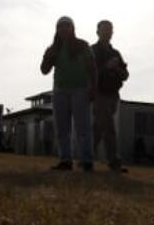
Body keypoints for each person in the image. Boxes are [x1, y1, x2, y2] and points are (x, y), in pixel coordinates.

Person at [41, 16, 97, 171]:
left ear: (73, 28)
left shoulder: (83, 45)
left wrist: (93, 88)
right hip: (60, 91)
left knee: (82, 128)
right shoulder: (53, 48)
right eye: (60, 27)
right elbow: (44, 70)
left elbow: (92, 68)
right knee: (62, 128)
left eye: (67, 26)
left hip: (80, 89)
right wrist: (49, 57)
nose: (63, 29)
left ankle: (86, 161)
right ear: (56, 30)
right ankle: (65, 161)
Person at [91, 20, 129, 172]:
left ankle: (84, 157)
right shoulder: (92, 50)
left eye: (110, 30)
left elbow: (125, 75)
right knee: (109, 127)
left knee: (99, 128)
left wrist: (117, 69)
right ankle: (114, 161)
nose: (108, 32)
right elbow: (88, 73)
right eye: (104, 29)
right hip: (99, 93)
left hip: (113, 95)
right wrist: (106, 67)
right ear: (98, 32)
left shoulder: (116, 53)